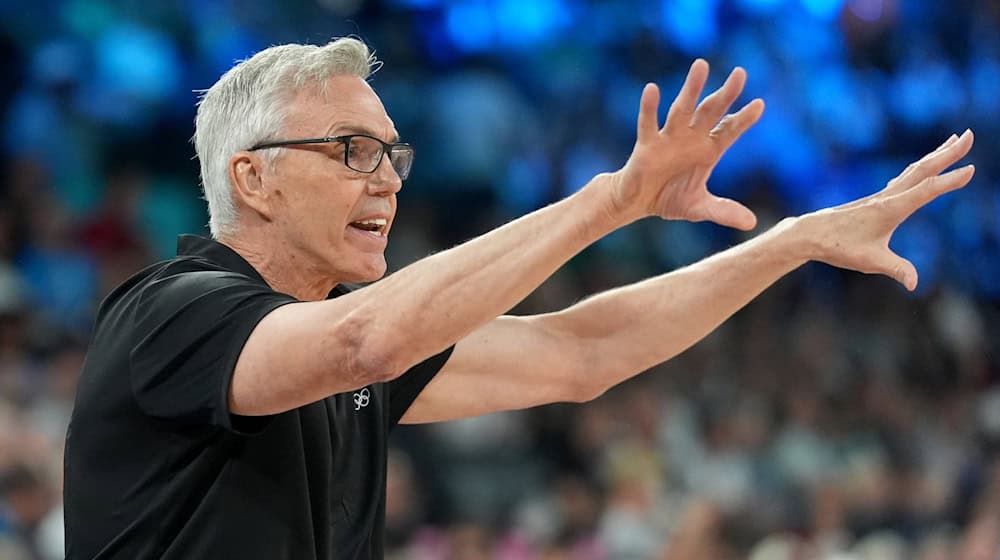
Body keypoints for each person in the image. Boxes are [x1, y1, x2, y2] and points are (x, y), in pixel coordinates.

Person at [62, 37, 975, 559]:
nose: (387, 181)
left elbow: (582, 354)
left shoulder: (338, 336)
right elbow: (363, 342)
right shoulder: (169, 312)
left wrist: (790, 243)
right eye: (352, 152)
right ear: (252, 179)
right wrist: (612, 199)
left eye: (395, 155)